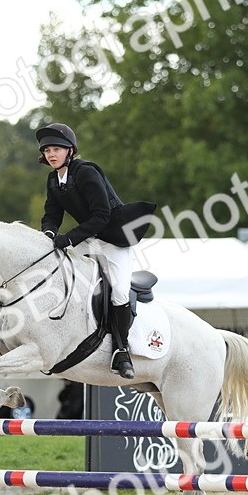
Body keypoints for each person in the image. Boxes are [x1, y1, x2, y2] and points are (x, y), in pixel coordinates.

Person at [36, 123, 155, 378]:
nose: (51, 154)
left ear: (70, 150)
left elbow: (102, 216)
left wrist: (69, 238)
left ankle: (122, 350)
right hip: (89, 238)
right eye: (47, 150)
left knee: (120, 291)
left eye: (56, 149)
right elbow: (51, 214)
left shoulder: (86, 172)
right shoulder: (54, 179)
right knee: (56, 266)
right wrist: (49, 232)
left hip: (113, 239)